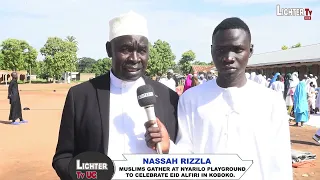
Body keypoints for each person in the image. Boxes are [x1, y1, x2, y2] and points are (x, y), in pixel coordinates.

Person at [144, 17, 292, 180]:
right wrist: (168, 148)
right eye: (221, 50)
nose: (229, 57)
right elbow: (187, 155)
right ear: (212, 50)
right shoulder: (191, 99)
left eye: (237, 50)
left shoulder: (270, 101)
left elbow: (280, 162)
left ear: (250, 51)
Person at [52, 11, 179, 180]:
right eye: (125, 49)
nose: (135, 58)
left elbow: (185, 161)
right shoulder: (81, 96)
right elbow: (63, 157)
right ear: (109, 50)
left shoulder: (168, 97)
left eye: (142, 50)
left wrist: (167, 148)